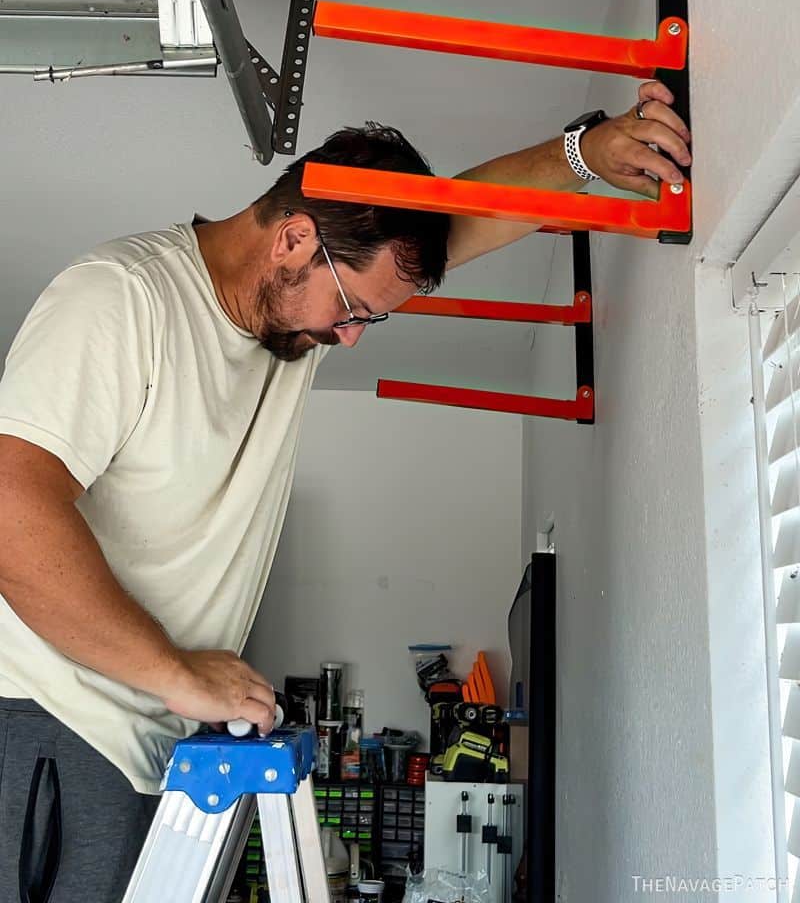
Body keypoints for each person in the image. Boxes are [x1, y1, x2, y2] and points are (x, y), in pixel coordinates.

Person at [0, 81, 690, 901]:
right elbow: (12, 504)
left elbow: (455, 223)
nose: (351, 335)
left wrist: (586, 155)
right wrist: (178, 673)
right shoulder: (121, 300)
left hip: (146, 735)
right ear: (294, 237)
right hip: (48, 721)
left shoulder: (285, 314)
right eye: (353, 309)